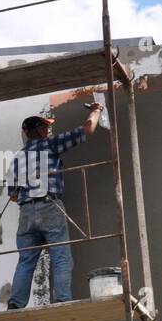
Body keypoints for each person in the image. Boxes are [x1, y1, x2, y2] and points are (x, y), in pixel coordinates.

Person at [6, 103, 103, 309]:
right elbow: (87, 129)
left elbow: (13, 196)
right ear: (40, 131)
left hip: (25, 212)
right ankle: (61, 303)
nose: (48, 131)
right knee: (61, 257)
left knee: (26, 261)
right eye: (46, 128)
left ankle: (15, 304)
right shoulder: (49, 145)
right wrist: (96, 110)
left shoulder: (17, 159)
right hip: (49, 206)